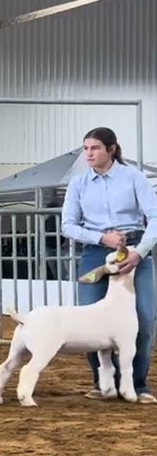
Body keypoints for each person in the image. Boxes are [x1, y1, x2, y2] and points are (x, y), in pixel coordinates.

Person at [60, 126, 157, 404]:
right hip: (95, 251)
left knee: (143, 318)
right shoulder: (78, 183)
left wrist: (139, 252)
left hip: (135, 250)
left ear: (111, 149)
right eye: (86, 148)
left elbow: (154, 217)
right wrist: (102, 237)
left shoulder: (134, 178)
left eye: (95, 148)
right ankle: (103, 383)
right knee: (89, 318)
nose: (89, 154)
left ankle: (138, 385)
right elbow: (67, 225)